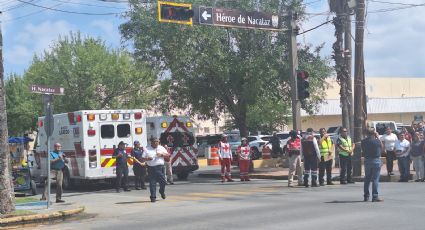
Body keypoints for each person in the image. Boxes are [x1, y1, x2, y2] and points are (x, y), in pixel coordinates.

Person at [143, 137, 169, 202]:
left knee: (163, 182)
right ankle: (153, 197)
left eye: (157, 141)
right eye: (154, 141)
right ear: (151, 142)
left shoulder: (161, 148)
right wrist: (147, 159)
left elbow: (168, 155)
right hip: (151, 168)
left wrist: (161, 155)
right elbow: (142, 158)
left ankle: (161, 191)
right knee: (152, 183)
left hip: (160, 167)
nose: (156, 143)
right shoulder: (147, 149)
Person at [361, 128, 384, 202]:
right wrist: (378, 137)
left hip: (367, 160)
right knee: (375, 179)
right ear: (373, 133)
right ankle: (375, 196)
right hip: (375, 160)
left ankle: (366, 196)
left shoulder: (363, 141)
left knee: (367, 178)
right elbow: (382, 147)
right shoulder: (376, 141)